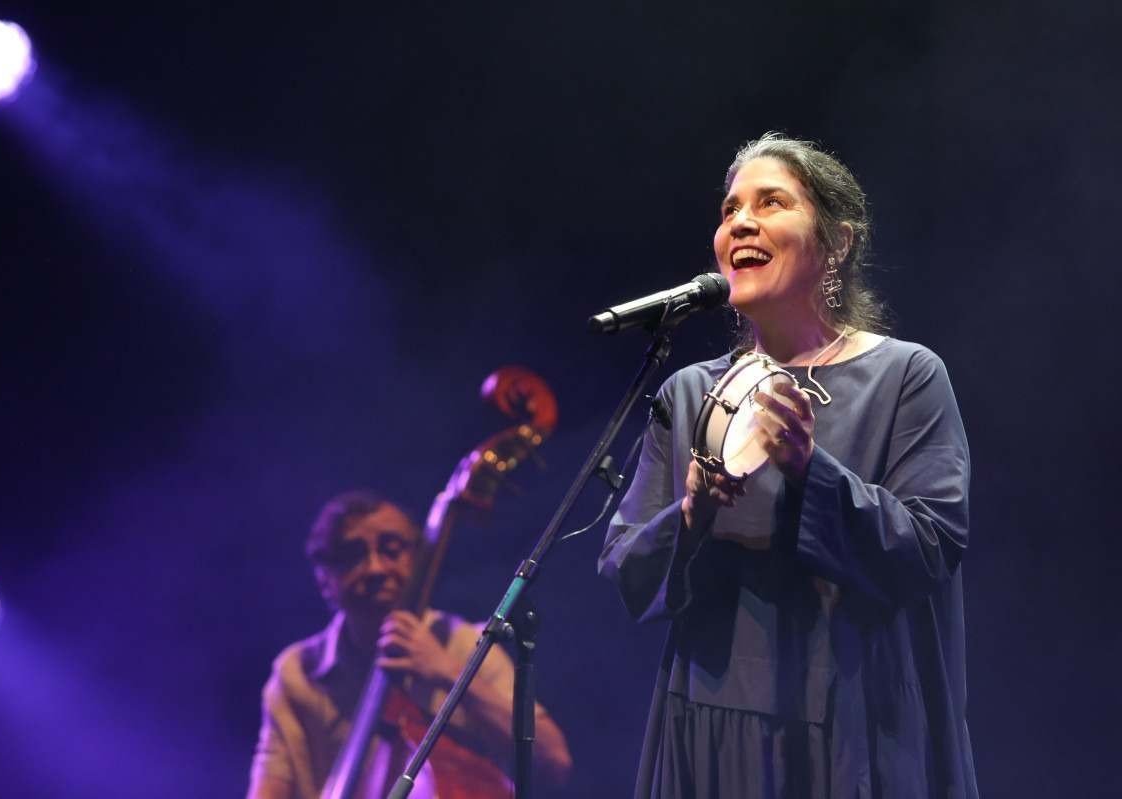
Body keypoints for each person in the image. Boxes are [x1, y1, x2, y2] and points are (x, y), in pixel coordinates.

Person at [599, 134, 978, 798]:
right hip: (708, 723)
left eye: (771, 202)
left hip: (853, 729)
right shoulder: (689, 394)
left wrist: (811, 470)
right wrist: (689, 513)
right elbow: (627, 566)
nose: (741, 222)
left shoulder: (906, 376)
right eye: (730, 210)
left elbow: (930, 545)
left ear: (837, 243)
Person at [248, 490, 572, 799]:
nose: (375, 568)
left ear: (418, 560)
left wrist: (447, 671)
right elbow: (269, 785)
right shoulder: (297, 671)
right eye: (353, 555)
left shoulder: (465, 643)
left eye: (391, 550)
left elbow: (554, 760)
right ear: (324, 577)